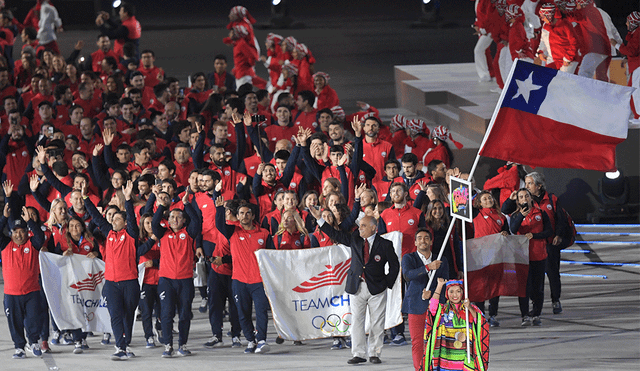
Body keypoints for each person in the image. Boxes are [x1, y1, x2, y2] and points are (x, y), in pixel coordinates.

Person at [308, 206, 399, 365]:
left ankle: (375, 353)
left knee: (377, 323)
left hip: (377, 288)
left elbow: (395, 266)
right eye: (359, 226)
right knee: (357, 321)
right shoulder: (355, 239)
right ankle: (359, 354)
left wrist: (386, 283)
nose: (360, 228)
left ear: (373, 228)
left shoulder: (385, 244)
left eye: (363, 226)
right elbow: (335, 234)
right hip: (357, 286)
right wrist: (319, 219)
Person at [84, 180, 142, 360]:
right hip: (111, 284)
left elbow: (132, 219)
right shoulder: (108, 233)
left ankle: (124, 345)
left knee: (127, 315)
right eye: (113, 218)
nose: (113, 220)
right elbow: (95, 216)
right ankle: (120, 348)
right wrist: (86, 196)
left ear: (124, 222)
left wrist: (128, 200)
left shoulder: (131, 234)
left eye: (118, 218)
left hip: (130, 283)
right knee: (115, 315)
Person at [145, 191, 203, 357]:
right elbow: (155, 222)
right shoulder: (163, 233)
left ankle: (182, 345)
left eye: (178, 217)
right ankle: (168, 345)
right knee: (166, 313)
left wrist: (186, 205)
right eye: (172, 217)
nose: (175, 220)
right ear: (168, 220)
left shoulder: (189, 234)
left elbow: (197, 223)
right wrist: (162, 204)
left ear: (184, 220)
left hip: (185, 280)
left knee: (185, 314)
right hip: (166, 280)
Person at [1, 205, 46, 359]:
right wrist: (4, 218)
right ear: (11, 233)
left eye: (22, 231)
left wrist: (30, 221)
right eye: (15, 232)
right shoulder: (6, 245)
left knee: (34, 319)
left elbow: (41, 237)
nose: (19, 235)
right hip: (11, 294)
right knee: (15, 322)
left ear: (27, 232)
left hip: (32, 292)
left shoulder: (32, 244)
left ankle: (33, 342)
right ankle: (19, 347)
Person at [402, 228, 448, 371]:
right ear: (415, 242)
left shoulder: (441, 259)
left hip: (437, 307)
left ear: (431, 241)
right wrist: (428, 267)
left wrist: (433, 295)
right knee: (417, 343)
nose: (423, 240)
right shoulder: (408, 258)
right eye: (420, 238)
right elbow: (408, 275)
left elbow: (445, 282)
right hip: (415, 306)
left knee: (437, 342)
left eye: (426, 238)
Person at [506, 188, 552, 326]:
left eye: (526, 196)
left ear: (531, 198)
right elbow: (513, 229)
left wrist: (535, 236)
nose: (524, 198)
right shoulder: (515, 215)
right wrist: (521, 215)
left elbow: (549, 231)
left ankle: (537, 314)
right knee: (524, 287)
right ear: (518, 200)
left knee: (538, 288)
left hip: (538, 254)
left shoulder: (541, 213)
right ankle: (524, 315)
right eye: (521, 197)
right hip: (522, 256)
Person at [423, 278, 489, 371]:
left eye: (458, 291)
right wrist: (440, 285)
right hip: (446, 356)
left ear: (463, 293)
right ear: (447, 294)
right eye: (451, 291)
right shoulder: (443, 309)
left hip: (465, 356)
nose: (455, 295)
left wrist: (469, 307)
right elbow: (432, 308)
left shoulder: (470, 308)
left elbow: (481, 322)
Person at [471, 191, 509, 327]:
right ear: (479, 203)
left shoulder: (501, 217)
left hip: (496, 256)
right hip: (480, 256)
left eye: (490, 198)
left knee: (494, 287)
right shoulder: (476, 213)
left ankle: (493, 315)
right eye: (484, 199)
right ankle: (480, 315)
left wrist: (505, 233)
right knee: (481, 286)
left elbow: (507, 234)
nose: (488, 200)